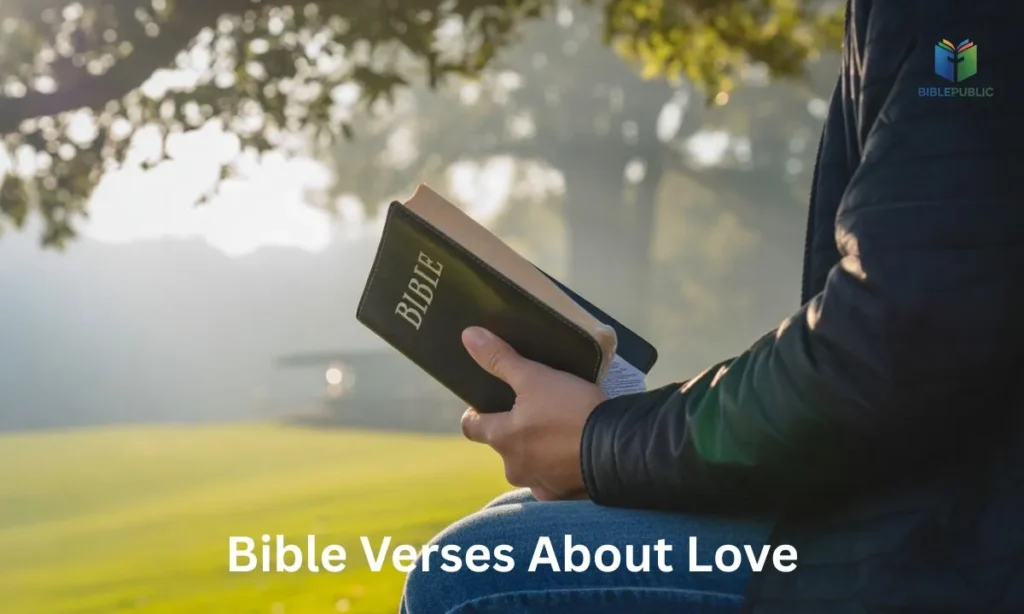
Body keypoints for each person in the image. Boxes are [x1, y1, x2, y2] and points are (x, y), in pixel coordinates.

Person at [400, 0, 1024, 612]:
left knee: (468, 573)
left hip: (952, 544)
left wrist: (605, 442)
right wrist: (618, 436)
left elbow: (899, 335)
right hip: (929, 503)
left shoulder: (960, 19)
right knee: (516, 518)